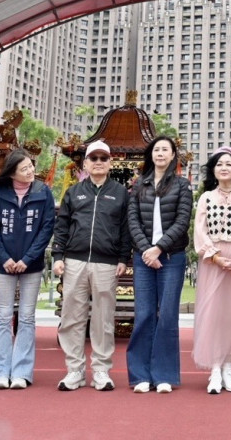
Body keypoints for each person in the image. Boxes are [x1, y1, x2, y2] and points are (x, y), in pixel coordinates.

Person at [53, 140, 131, 393]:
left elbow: (126, 229)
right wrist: (57, 256)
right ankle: (74, 370)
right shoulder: (74, 192)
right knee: (71, 317)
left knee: (103, 319)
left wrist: (123, 258)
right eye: (93, 158)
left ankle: (101, 369)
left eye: (103, 158)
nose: (98, 163)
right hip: (74, 261)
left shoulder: (120, 193)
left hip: (107, 263)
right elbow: (62, 226)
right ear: (85, 163)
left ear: (110, 163)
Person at [0, 148, 55, 390]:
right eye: (24, 169)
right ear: (12, 173)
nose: (30, 171)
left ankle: (22, 372)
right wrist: (3, 258)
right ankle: (0, 372)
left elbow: (47, 228)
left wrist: (27, 258)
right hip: (4, 265)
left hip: (31, 265)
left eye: (31, 166)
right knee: (3, 317)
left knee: (26, 317)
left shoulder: (43, 192)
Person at [127, 135, 193, 393]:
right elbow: (132, 220)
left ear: (173, 155)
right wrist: (146, 250)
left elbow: (182, 220)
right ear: (151, 155)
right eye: (157, 150)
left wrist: (159, 248)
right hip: (143, 258)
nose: (161, 153)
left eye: (165, 149)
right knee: (144, 314)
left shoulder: (182, 185)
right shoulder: (138, 185)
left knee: (167, 315)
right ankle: (140, 375)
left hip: (171, 257)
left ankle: (164, 374)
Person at [192, 146, 231, 394]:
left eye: (229, 164)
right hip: (213, 262)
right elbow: (200, 231)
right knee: (214, 314)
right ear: (213, 170)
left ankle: (229, 367)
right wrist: (215, 257)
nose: (224, 168)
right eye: (219, 164)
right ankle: (215, 369)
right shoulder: (206, 197)